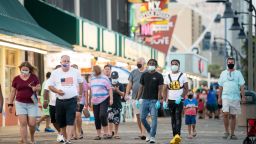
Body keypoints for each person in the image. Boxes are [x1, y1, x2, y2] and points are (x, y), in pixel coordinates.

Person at [48, 55, 83, 144]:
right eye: (64, 61)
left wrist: (79, 95)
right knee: (61, 122)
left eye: (68, 61)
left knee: (70, 120)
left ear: (70, 62)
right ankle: (65, 138)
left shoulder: (75, 71)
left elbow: (81, 83)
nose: (66, 63)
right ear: (61, 62)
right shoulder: (55, 73)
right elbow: (50, 86)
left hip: (72, 100)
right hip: (60, 101)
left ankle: (68, 140)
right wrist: (57, 91)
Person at [8, 61, 41, 144]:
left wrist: (35, 88)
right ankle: (25, 141)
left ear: (29, 70)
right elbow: (12, 92)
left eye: (26, 70)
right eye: (23, 70)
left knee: (32, 123)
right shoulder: (16, 79)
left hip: (32, 104)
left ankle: (32, 138)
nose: (24, 71)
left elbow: (39, 87)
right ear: (20, 69)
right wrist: (10, 104)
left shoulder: (34, 77)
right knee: (23, 123)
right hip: (20, 103)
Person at [136, 59, 164, 143]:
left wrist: (159, 100)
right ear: (147, 65)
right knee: (142, 118)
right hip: (144, 100)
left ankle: (152, 136)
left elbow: (160, 89)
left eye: (153, 64)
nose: (151, 65)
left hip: (154, 101)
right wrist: (137, 99)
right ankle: (149, 131)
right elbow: (141, 87)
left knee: (154, 119)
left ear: (156, 66)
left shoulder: (159, 76)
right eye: (150, 63)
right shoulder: (144, 75)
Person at [218, 57, 246, 140]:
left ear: (234, 63)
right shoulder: (223, 73)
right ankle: (226, 131)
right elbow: (220, 86)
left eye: (232, 62)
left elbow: (242, 86)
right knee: (225, 114)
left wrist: (243, 96)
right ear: (227, 63)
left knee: (233, 116)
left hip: (235, 97)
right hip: (225, 96)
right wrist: (219, 97)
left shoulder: (238, 73)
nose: (230, 63)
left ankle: (233, 133)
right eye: (229, 62)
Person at [162, 59, 188, 139]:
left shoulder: (183, 75)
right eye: (172, 64)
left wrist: (181, 97)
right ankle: (174, 135)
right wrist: (164, 101)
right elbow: (164, 89)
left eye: (176, 64)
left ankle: (178, 135)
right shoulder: (167, 76)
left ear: (179, 65)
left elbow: (186, 88)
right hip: (170, 100)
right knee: (173, 118)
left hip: (179, 100)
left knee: (178, 116)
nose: (174, 65)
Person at [89, 65, 113, 140]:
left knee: (102, 115)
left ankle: (105, 133)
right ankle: (98, 134)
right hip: (95, 100)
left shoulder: (105, 78)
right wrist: (90, 100)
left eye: (94, 71)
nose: (93, 72)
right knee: (96, 117)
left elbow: (110, 89)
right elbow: (91, 90)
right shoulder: (92, 78)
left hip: (104, 99)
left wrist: (111, 99)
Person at [125, 57, 147, 140]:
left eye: (139, 62)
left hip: (145, 97)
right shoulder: (133, 72)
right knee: (138, 116)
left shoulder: (147, 72)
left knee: (142, 115)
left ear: (144, 63)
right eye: (137, 62)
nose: (138, 63)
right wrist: (126, 93)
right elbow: (130, 83)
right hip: (135, 97)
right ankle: (142, 132)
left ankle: (144, 133)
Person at [43, 65, 65, 143]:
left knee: (61, 119)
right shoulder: (50, 80)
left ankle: (62, 134)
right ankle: (60, 132)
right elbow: (46, 90)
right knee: (54, 120)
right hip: (52, 103)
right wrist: (45, 100)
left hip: (63, 102)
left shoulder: (65, 78)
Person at [71, 64, 88, 140]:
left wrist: (87, 101)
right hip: (71, 99)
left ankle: (79, 131)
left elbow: (86, 91)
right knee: (72, 116)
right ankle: (74, 133)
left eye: (75, 69)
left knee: (77, 115)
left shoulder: (82, 79)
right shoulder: (69, 78)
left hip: (80, 100)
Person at [108, 71, 124, 139]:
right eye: (113, 77)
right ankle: (110, 132)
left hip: (117, 105)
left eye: (115, 77)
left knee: (116, 120)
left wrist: (117, 90)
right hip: (109, 105)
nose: (114, 78)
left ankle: (116, 133)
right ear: (111, 77)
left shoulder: (120, 85)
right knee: (110, 119)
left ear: (117, 77)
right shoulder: (108, 84)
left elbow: (123, 94)